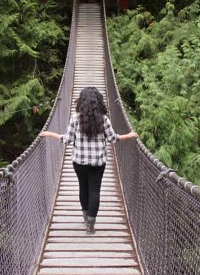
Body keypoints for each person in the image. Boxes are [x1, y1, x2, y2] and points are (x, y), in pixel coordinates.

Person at [40, 87, 138, 234]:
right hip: (98, 162)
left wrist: (50, 134)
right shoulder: (104, 119)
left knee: (83, 188)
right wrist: (129, 135)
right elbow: (113, 139)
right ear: (98, 101)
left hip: (79, 162)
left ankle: (86, 217)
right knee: (94, 190)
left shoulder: (75, 118)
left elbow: (68, 139)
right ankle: (90, 225)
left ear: (81, 101)